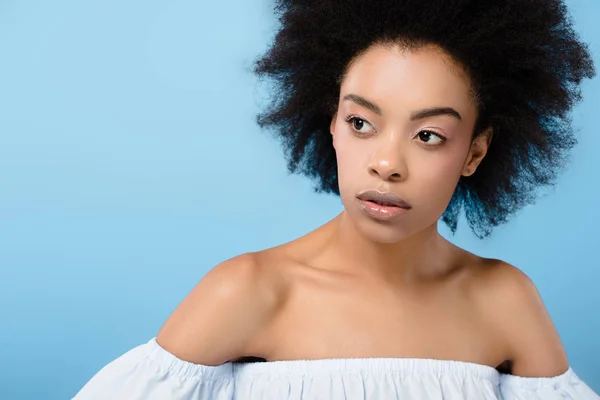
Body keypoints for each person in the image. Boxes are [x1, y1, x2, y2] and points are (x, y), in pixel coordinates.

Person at [73, 0, 599, 398]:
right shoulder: (249, 292)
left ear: (474, 152)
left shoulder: (505, 301)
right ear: (330, 125)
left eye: (429, 135)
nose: (387, 163)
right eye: (361, 123)